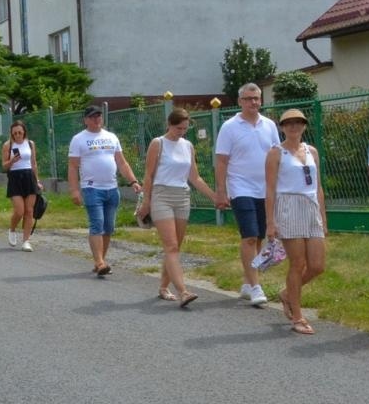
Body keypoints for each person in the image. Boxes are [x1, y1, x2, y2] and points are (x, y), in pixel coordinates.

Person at [137, 108, 216, 307]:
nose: (181, 131)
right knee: (171, 245)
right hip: (161, 195)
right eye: (178, 128)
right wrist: (146, 202)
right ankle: (184, 291)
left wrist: (215, 197)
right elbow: (149, 175)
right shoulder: (158, 143)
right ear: (169, 124)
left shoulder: (188, 146)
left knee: (175, 247)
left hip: (182, 195)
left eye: (184, 128)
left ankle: (164, 287)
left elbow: (195, 177)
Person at [214, 83, 280, 305]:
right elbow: (222, 160)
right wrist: (221, 190)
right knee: (249, 236)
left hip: (265, 189)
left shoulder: (269, 125)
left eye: (257, 98)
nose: (254, 102)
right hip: (240, 187)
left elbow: (276, 155)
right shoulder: (230, 127)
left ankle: (247, 280)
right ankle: (255, 286)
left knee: (260, 237)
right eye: (249, 98)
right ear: (240, 101)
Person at [265, 109, 326, 335]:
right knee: (297, 263)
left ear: (304, 125)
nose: (293, 127)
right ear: (282, 127)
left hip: (310, 208)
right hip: (288, 206)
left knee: (318, 265)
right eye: (288, 123)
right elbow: (270, 189)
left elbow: (318, 186)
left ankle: (287, 293)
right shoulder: (276, 153)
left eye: (298, 123)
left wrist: (323, 216)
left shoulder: (312, 151)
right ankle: (298, 316)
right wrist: (270, 222)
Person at [67, 104, 140, 277]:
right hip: (92, 188)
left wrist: (133, 181)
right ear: (85, 120)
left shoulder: (111, 137)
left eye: (99, 116)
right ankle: (100, 262)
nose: (96, 119)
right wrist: (75, 190)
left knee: (108, 227)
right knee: (97, 225)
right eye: (92, 116)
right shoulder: (79, 139)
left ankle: (100, 261)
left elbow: (122, 162)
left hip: (111, 188)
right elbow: (72, 166)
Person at [1, 121, 41, 250]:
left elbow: (33, 163)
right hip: (15, 178)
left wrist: (37, 180)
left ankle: (26, 241)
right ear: (11, 134)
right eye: (15, 133)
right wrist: (12, 161)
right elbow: (4, 166)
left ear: (24, 132)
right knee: (19, 211)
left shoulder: (30, 144)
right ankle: (12, 229)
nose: (18, 135)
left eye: (20, 132)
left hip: (29, 177)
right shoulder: (8, 145)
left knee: (29, 211)